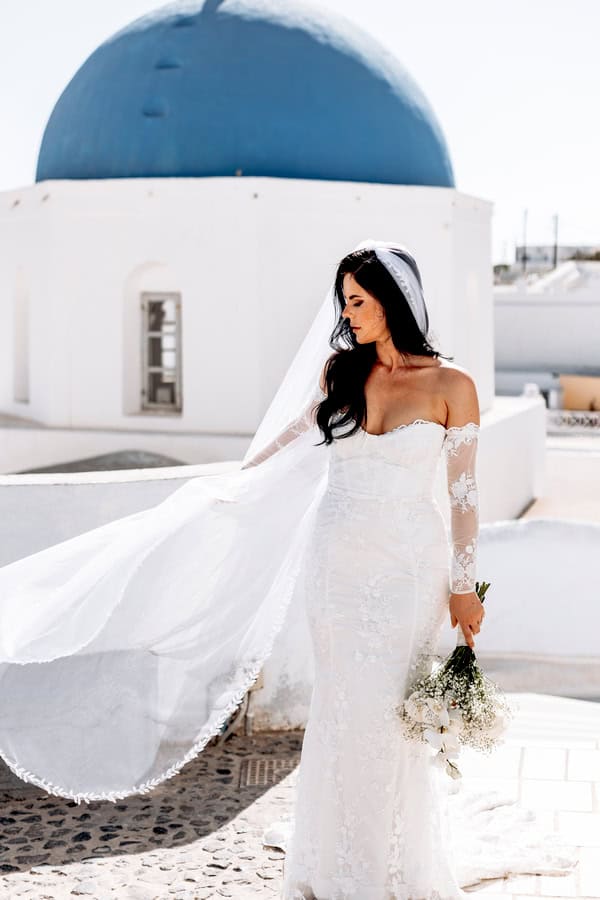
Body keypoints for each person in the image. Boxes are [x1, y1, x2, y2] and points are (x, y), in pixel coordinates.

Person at [0, 239, 574, 895]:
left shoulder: (453, 385)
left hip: (408, 569)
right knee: (340, 707)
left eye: (359, 301)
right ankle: (332, 861)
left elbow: (464, 495)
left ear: (394, 300)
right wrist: (231, 488)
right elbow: (288, 446)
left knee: (388, 712)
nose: (349, 313)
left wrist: (464, 587)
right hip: (334, 561)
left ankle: (391, 858)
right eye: (345, 302)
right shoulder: (341, 373)